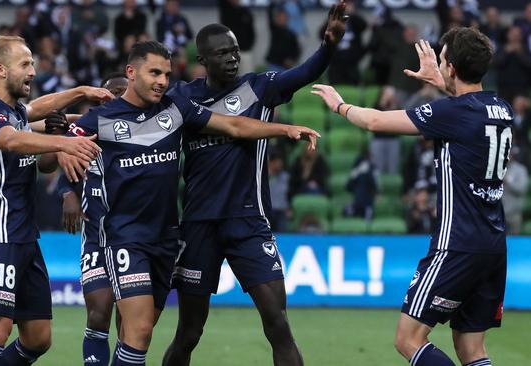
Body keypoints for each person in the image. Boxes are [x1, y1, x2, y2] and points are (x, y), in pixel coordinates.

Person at [60, 40, 319, 366]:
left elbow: (234, 125)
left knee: (142, 331)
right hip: (126, 237)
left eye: (167, 74)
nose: (162, 81)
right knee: (136, 329)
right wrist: (67, 187)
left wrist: (284, 129)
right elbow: (64, 142)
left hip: (167, 239)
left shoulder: (176, 109)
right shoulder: (101, 119)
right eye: (154, 73)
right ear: (131, 72)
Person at [313, 27, 510, 366]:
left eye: (442, 58)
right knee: (471, 348)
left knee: (408, 339)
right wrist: (442, 84)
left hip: (457, 244)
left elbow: (375, 121)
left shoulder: (453, 114)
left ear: (450, 67)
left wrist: (340, 105)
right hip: (493, 244)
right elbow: (465, 108)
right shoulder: (500, 108)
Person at [163, 3, 347, 365]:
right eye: (222, 53)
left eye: (234, 50)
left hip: (249, 223)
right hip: (199, 225)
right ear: (202, 58)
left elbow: (305, 72)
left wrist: (328, 45)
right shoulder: (183, 97)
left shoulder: (259, 87)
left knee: (277, 323)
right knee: (189, 332)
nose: (232, 58)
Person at [0, 35, 109, 365]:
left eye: (33, 63)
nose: (33, 71)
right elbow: (11, 141)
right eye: (25, 64)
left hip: (26, 237)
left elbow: (41, 163)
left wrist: (74, 105)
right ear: (0, 70)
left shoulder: (17, 112)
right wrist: (63, 143)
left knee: (38, 338)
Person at [56, 72, 129, 366]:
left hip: (135, 237)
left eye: (123, 92)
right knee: (98, 312)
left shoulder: (146, 128)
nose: (118, 97)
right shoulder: (88, 129)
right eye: (112, 93)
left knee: (130, 322)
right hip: (97, 236)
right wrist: (67, 193)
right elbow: (64, 169)